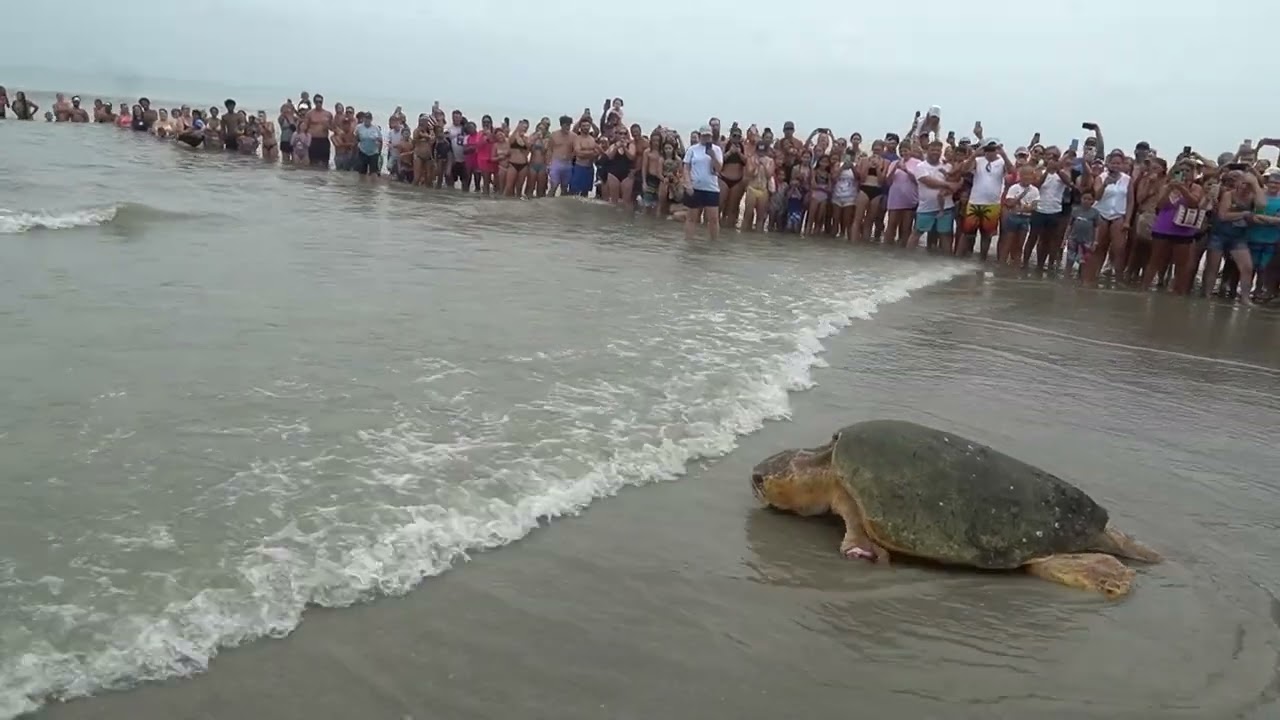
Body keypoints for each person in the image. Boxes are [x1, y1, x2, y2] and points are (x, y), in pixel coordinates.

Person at [683, 125, 724, 240]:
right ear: (700, 136)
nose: (706, 138)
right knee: (691, 218)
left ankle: (713, 243)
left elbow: (719, 169)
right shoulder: (692, 149)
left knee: (713, 219)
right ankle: (688, 242)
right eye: (704, 135)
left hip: (711, 188)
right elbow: (686, 168)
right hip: (695, 187)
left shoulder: (716, 149)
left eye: (708, 136)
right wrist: (688, 184)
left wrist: (713, 156)